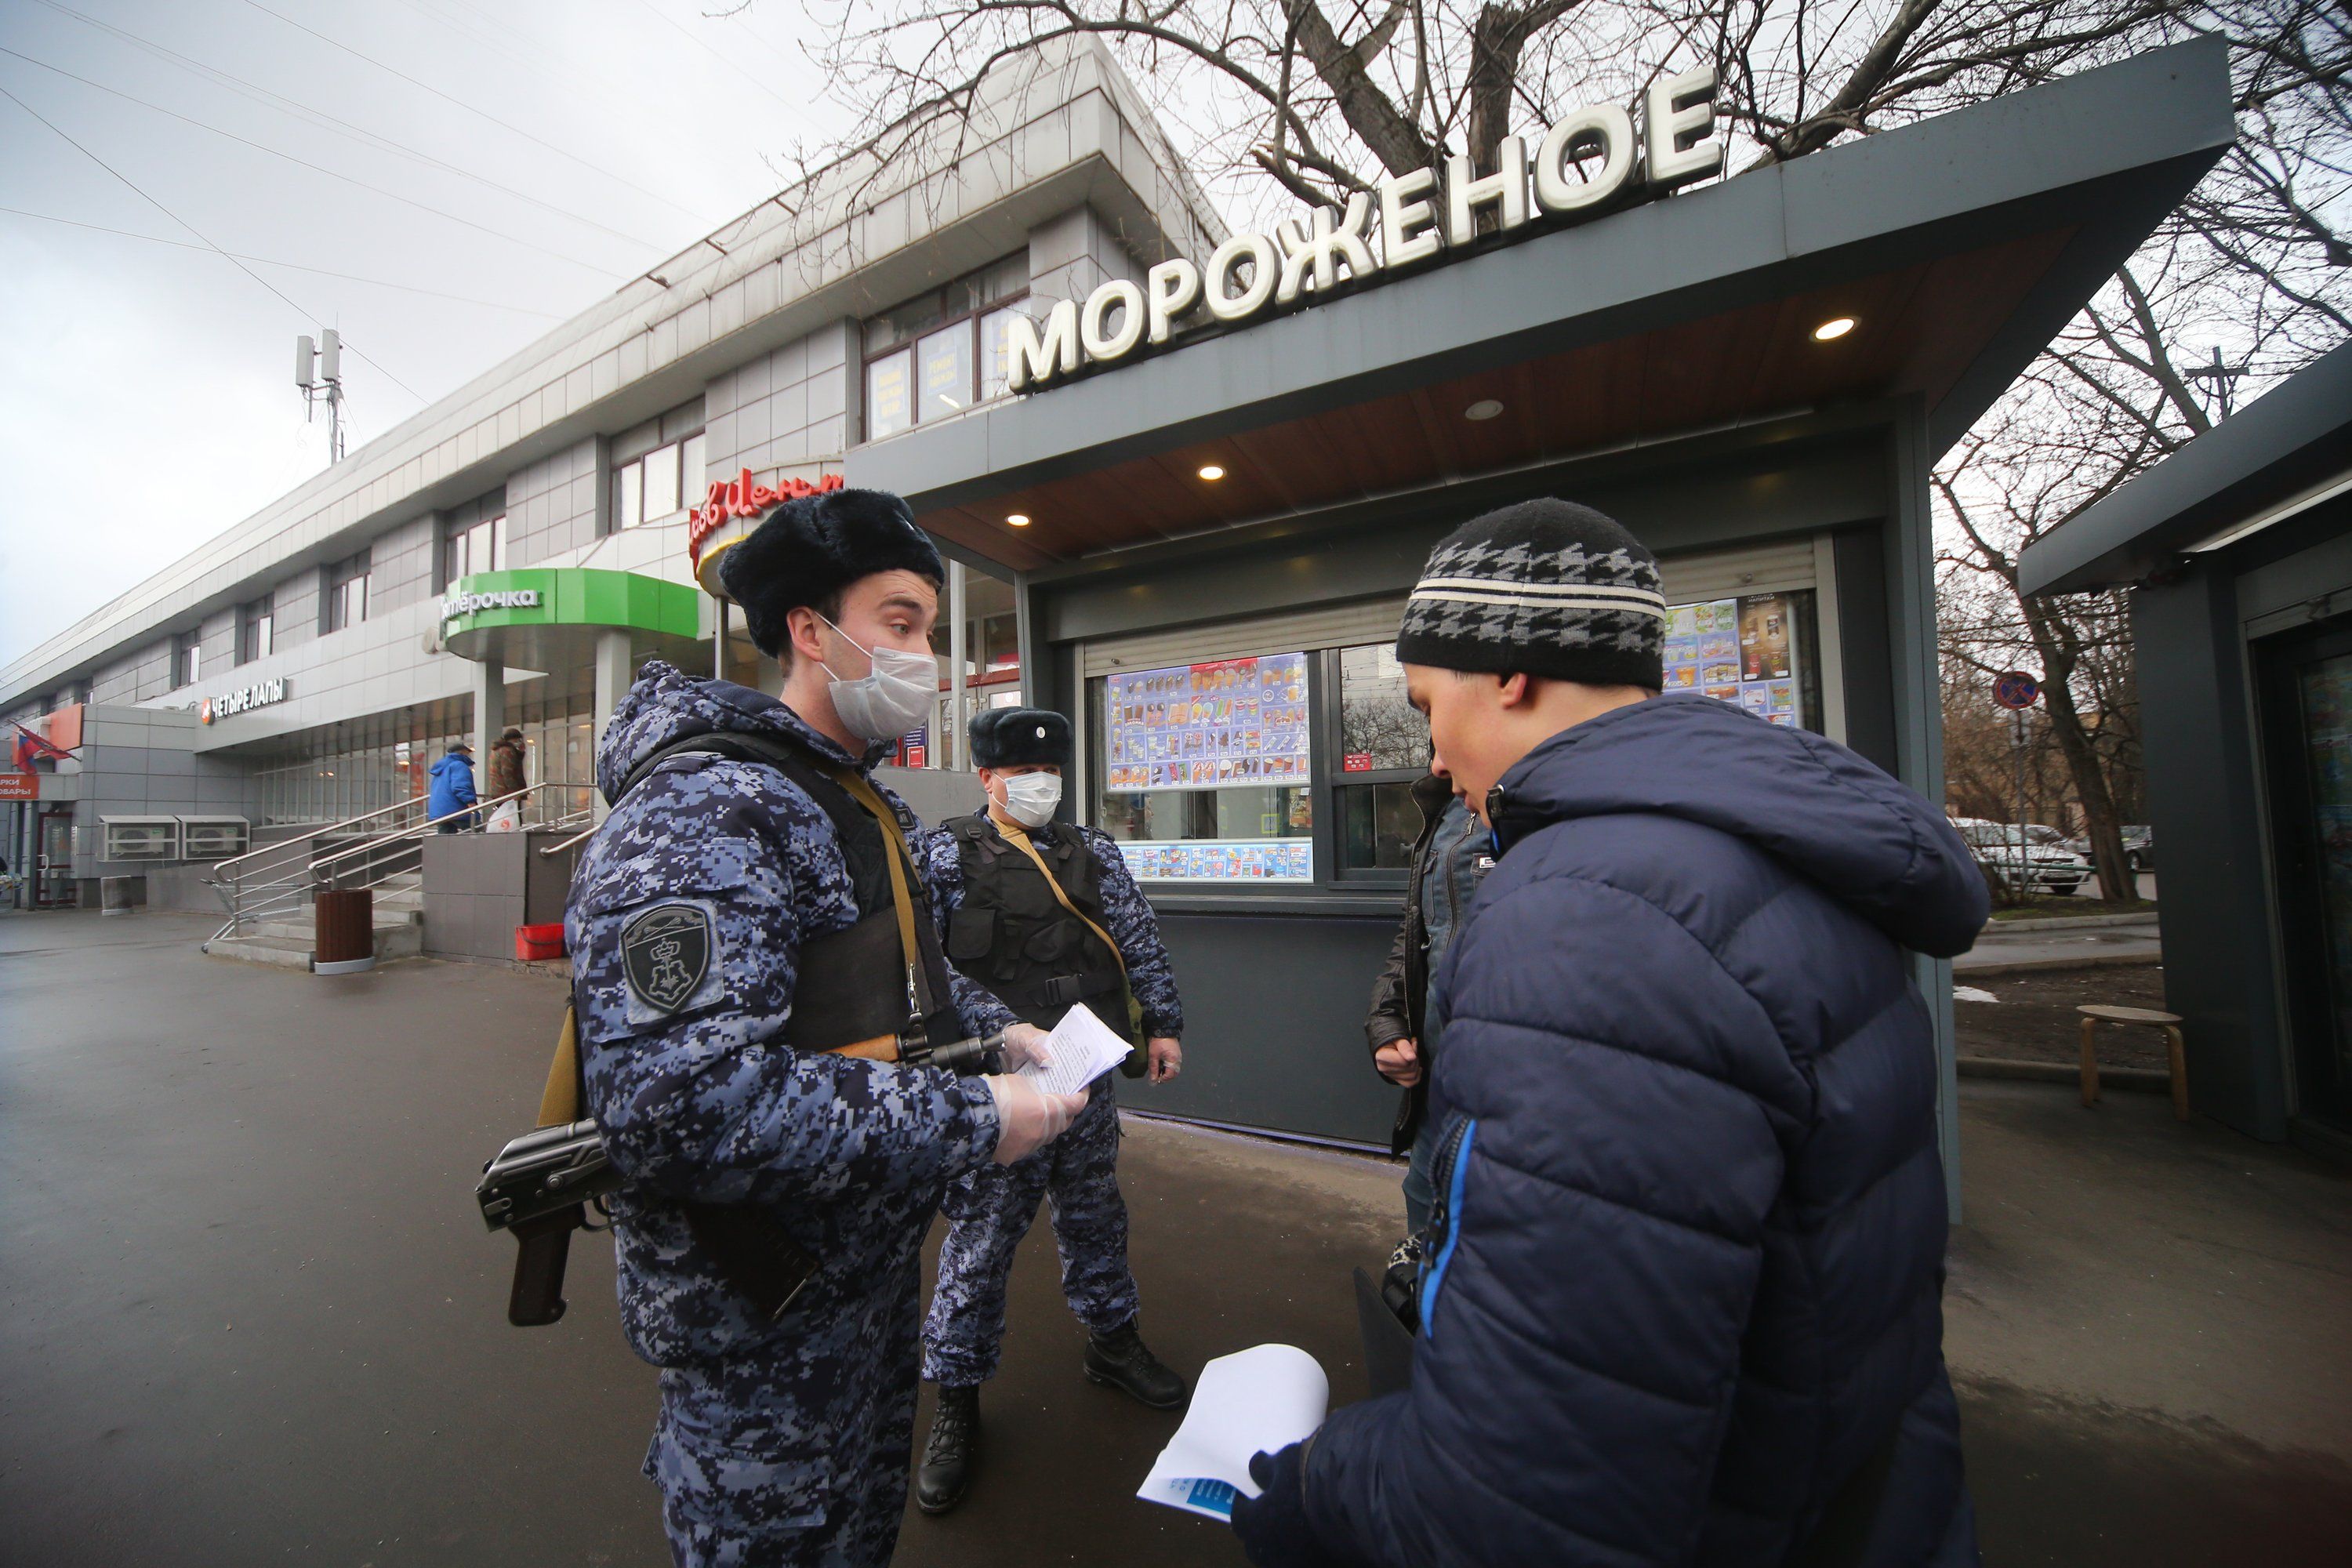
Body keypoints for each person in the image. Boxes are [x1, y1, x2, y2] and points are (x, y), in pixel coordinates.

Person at [1231, 499, 1987, 1566]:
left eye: (1425, 703)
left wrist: (1316, 1487)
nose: (1436, 756)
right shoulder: (1750, 856)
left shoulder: (1590, 913)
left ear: (1508, 674)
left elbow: (1528, 1495)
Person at [564, 487, 1089, 1568]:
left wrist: (1004, 1035)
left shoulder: (847, 801)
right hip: (760, 1319)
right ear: (811, 630)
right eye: (900, 623)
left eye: (930, 630)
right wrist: (978, 1117)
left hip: (861, 1282)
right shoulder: (710, 807)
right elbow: (682, 1105)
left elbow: (895, 983)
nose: (927, 655)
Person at [911, 706, 1189, 1515]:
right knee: (983, 1235)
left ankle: (1112, 1338)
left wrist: (1163, 1022)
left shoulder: (1091, 849)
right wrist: (1002, 1030)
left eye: (1052, 772)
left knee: (1095, 1209)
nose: (1041, 783)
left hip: (1086, 1065)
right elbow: (921, 966)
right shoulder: (943, 854)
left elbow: (1138, 938)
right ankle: (956, 1395)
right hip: (997, 1083)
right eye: (1022, 771)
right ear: (986, 776)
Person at [1363, 771, 1489, 1235]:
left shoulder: (1565, 816)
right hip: (1437, 1102)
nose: (1435, 762)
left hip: (1515, 1114)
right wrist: (1387, 1023)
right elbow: (1418, 935)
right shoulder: (1449, 811)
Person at [426, 739, 477, 831]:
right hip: (456, 808)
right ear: (462, 752)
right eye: (468, 752)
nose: (469, 755)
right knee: (476, 830)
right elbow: (460, 786)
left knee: (446, 840)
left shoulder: (442, 766)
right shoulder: (459, 765)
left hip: (441, 810)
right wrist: (470, 802)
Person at [487, 724, 528, 802]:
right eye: (518, 740)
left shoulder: (497, 749)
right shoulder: (507, 751)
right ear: (513, 739)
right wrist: (515, 792)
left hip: (498, 790)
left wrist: (520, 753)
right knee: (512, 813)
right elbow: (508, 772)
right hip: (506, 791)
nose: (519, 742)